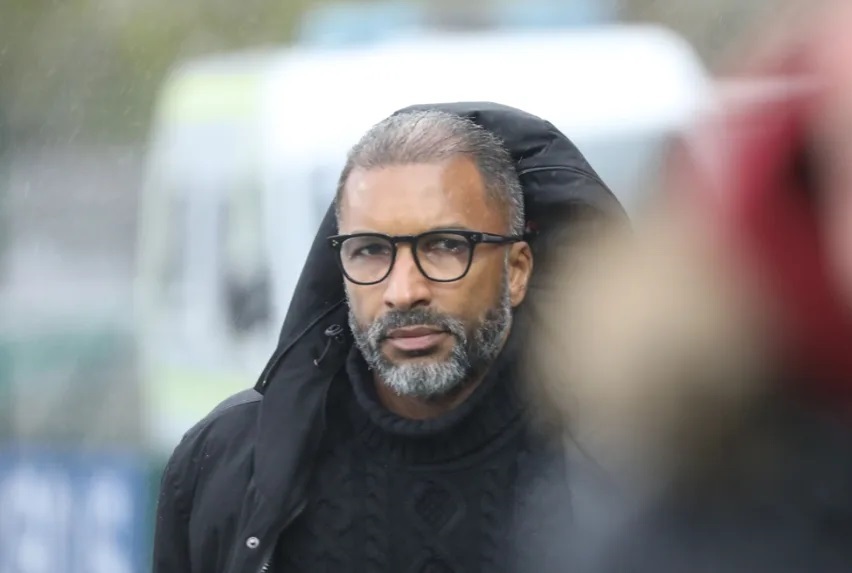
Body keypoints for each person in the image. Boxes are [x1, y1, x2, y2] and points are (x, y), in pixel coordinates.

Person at [151, 101, 625, 573]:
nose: (403, 291)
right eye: (371, 251)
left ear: (516, 270)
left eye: (445, 246)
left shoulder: (624, 465)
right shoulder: (229, 465)